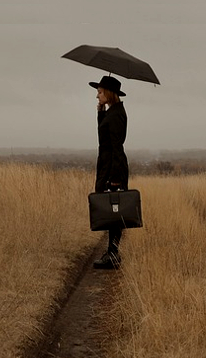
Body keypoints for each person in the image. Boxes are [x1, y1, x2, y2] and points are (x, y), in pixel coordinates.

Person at [90, 76, 129, 269]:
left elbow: (116, 147)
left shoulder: (116, 115)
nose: (97, 95)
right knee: (112, 209)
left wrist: (114, 178)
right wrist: (100, 114)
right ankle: (112, 252)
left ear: (108, 93)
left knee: (115, 210)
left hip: (113, 167)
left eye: (99, 92)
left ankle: (113, 254)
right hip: (108, 165)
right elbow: (104, 139)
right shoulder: (112, 112)